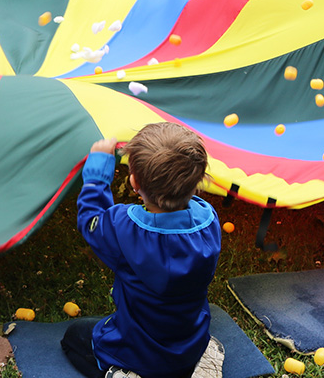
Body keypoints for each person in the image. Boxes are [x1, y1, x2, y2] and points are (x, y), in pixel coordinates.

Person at [61, 123, 220, 378]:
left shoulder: (124, 229)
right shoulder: (209, 221)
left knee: (74, 337)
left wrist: (98, 173)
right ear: (197, 181)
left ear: (134, 181)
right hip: (190, 344)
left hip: (137, 351)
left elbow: (91, 220)